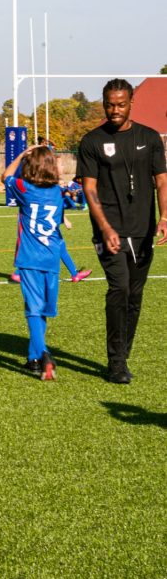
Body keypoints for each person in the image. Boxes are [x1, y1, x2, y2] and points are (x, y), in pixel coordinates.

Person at [76, 78, 167, 383]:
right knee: (120, 289)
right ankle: (115, 362)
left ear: (131, 103)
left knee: (135, 296)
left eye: (120, 104)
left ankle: (122, 357)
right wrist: (104, 227)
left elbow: (162, 181)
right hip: (109, 231)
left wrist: (165, 216)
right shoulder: (91, 141)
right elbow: (89, 190)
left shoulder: (151, 138)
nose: (114, 110)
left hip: (143, 230)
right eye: (109, 105)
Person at [1, 145, 65, 380]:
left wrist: (20, 155)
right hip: (51, 258)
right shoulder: (57, 192)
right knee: (43, 311)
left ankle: (44, 353)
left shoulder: (25, 188)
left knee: (33, 310)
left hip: (30, 258)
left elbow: (6, 176)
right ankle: (33, 358)